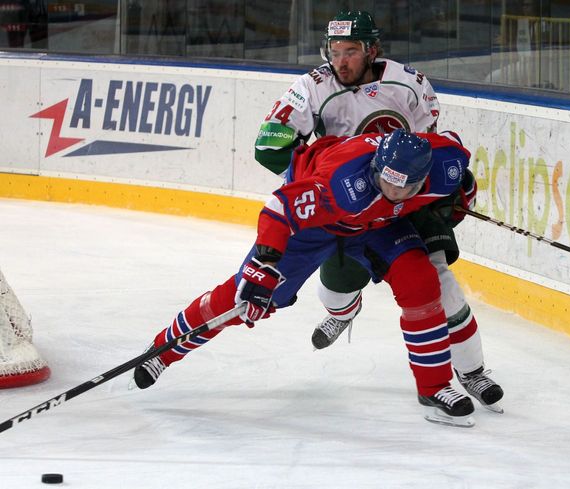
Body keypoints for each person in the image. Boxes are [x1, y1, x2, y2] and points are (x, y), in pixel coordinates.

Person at [134, 129, 484, 426]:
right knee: (242, 299)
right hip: (315, 226)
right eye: (383, 181)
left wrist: (460, 196)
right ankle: (162, 350)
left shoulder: (447, 163)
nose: (390, 192)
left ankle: (434, 385)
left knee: (421, 282)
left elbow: (455, 158)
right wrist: (266, 264)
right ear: (377, 165)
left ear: (424, 178)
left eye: (402, 189)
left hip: (377, 225)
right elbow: (279, 209)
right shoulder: (342, 183)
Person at [254, 10, 503, 410]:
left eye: (351, 51)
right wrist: (310, 167)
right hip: (345, 206)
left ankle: (472, 371)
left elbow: (426, 149)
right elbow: (267, 148)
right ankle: (345, 311)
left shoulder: (410, 84)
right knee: (335, 290)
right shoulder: (312, 86)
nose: (341, 61)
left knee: (438, 282)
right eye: (335, 51)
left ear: (372, 50)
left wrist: (444, 190)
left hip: (398, 204)